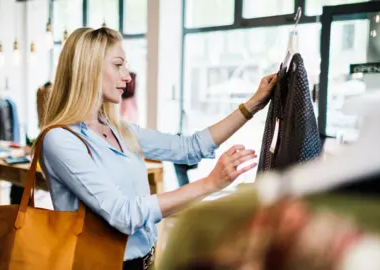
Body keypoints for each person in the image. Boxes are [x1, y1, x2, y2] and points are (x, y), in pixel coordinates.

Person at [39, 26, 277, 270]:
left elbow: (189, 147)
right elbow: (124, 215)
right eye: (118, 65)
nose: (127, 76)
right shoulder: (61, 140)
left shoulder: (120, 130)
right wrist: (210, 183)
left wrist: (253, 105)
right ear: (89, 69)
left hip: (146, 261)